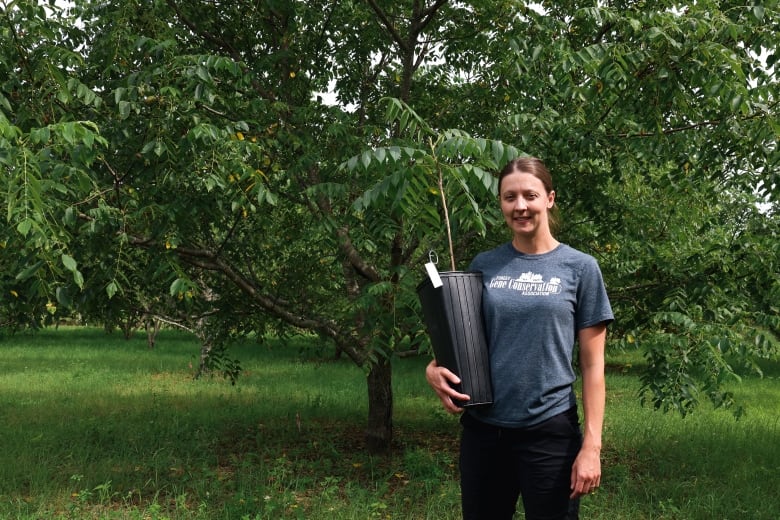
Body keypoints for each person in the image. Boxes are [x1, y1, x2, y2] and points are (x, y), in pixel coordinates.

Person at [425, 156, 613, 520]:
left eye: (530, 195)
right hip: (484, 433)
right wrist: (432, 370)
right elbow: (464, 341)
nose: (520, 206)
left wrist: (592, 445)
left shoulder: (581, 268)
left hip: (549, 431)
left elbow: (593, 366)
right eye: (510, 197)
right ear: (501, 204)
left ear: (550, 199)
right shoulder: (485, 265)